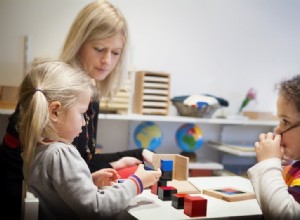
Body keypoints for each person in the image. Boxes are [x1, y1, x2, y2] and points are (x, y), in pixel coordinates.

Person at [0, 1, 154, 219]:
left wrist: (128, 157)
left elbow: (76, 163)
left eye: (116, 53)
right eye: (99, 49)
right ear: (79, 42)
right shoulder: (47, 91)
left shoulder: (86, 95)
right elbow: (25, 167)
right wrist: (135, 182)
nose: (106, 61)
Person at [18, 59, 161, 220]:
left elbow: (56, 193)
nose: (85, 121)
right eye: (81, 113)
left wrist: (89, 181)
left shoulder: (37, 150)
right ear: (55, 112)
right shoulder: (61, 153)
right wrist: (137, 182)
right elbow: (97, 209)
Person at [248, 74, 300, 219]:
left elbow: (284, 215)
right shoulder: (293, 168)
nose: (277, 130)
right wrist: (277, 166)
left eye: (286, 121)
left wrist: (268, 163)